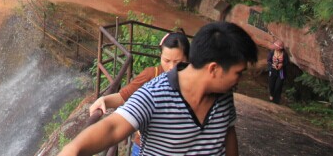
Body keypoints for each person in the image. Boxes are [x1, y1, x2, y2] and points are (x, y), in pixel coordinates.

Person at [58, 21, 258, 156]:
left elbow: (228, 131)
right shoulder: (155, 94)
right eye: (238, 73)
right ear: (213, 69)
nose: (239, 80)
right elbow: (113, 128)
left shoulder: (224, 95)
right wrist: (73, 149)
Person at [88, 29, 190, 156]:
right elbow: (124, 96)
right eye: (167, 60)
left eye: (178, 62)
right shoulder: (152, 74)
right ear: (160, 57)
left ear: (188, 59)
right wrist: (104, 100)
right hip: (144, 147)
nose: (171, 67)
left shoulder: (195, 83)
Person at [267, 39, 288, 104]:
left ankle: (276, 100)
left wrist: (282, 65)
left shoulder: (284, 54)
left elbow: (286, 62)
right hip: (273, 70)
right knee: (271, 84)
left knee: (278, 85)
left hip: (281, 72)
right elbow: (268, 61)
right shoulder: (272, 52)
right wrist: (272, 65)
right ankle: (271, 95)